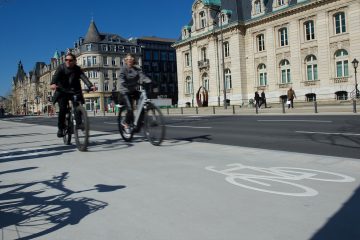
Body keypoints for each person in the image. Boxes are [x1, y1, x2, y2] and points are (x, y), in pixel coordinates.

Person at [50, 52, 95, 138]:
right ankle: (61, 128)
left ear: (75, 61)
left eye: (70, 60)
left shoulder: (77, 69)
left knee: (77, 106)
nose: (68, 61)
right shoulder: (61, 68)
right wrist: (53, 84)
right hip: (62, 91)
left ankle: (79, 123)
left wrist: (90, 86)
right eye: (66, 60)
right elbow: (55, 77)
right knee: (62, 109)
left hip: (74, 91)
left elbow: (84, 77)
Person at [119, 53, 152, 131]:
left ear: (134, 60)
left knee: (143, 103)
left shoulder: (137, 69)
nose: (130, 60)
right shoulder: (123, 69)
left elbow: (143, 76)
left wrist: (150, 81)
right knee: (130, 109)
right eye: (128, 59)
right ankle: (126, 124)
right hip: (125, 91)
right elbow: (121, 78)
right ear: (126, 61)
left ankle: (139, 122)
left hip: (133, 90)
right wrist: (124, 82)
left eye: (131, 59)